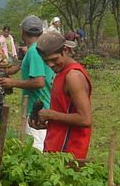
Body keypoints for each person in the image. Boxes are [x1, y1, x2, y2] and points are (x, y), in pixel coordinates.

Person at [32, 31, 92, 165]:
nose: (50, 65)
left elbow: (85, 119)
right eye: (46, 61)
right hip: (56, 148)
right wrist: (47, 123)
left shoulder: (73, 76)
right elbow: (66, 113)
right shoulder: (61, 73)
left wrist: (51, 115)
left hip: (69, 154)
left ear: (65, 50)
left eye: (54, 59)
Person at [0, 16, 54, 150]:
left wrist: (13, 83)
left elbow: (39, 81)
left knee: (36, 148)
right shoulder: (40, 48)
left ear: (23, 33)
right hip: (46, 103)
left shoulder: (34, 51)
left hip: (37, 109)